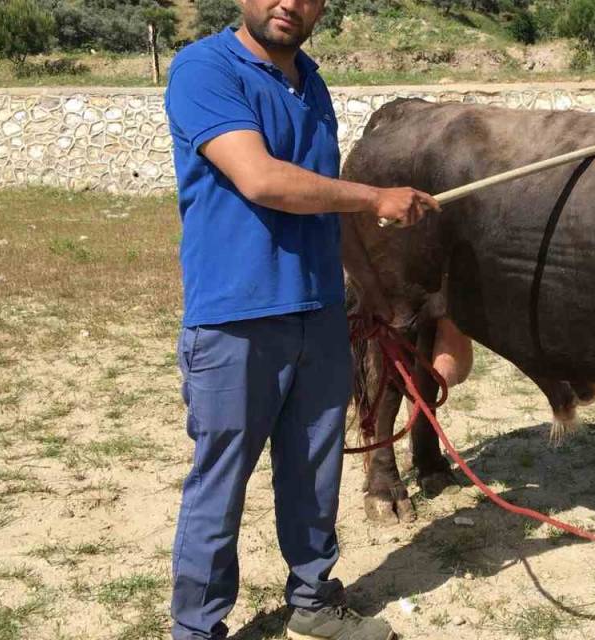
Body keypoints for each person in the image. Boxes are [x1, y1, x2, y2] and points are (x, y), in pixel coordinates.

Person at [162, 1, 439, 638]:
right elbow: (262, 180)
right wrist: (375, 196)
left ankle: (313, 604)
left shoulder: (310, 82)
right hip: (237, 319)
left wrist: (370, 292)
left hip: (319, 313)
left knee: (316, 472)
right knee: (221, 484)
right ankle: (196, 630)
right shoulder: (204, 69)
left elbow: (321, 204)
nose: (288, 2)